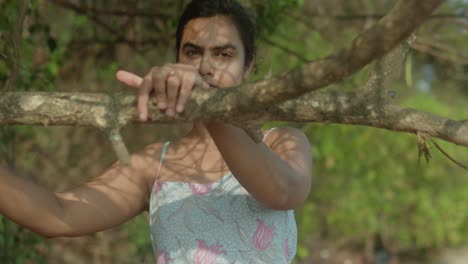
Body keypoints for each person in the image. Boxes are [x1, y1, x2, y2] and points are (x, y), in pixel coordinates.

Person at [0, 0, 312, 263]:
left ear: (248, 67)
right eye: (192, 53)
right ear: (176, 61)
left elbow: (283, 192)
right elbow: (58, 214)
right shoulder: (154, 165)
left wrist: (211, 109)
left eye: (223, 55)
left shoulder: (281, 141)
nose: (205, 67)